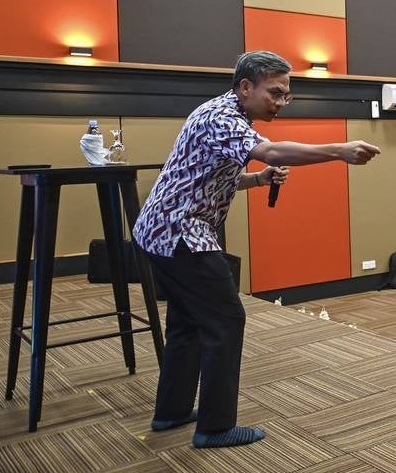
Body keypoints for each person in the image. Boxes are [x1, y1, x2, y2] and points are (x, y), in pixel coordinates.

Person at [133, 50, 380, 448]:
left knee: (187, 322)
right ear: (246, 86)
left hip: (160, 231)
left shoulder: (227, 115)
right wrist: (339, 151)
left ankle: (171, 411)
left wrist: (259, 179)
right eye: (275, 93)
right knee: (226, 320)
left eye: (286, 95)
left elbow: (210, 177)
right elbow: (274, 151)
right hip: (180, 233)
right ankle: (215, 428)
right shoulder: (221, 117)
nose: (281, 102)